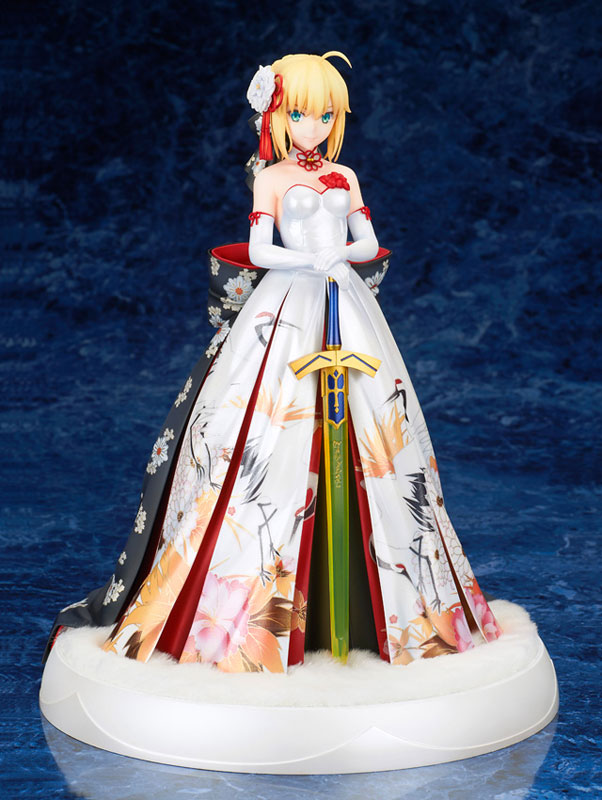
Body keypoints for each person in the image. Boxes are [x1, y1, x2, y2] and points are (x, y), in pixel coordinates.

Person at [44, 51, 501, 672]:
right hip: (287, 304)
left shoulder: (346, 174)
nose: (313, 127)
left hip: (344, 298)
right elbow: (260, 249)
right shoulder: (270, 179)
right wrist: (307, 261)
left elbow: (368, 239)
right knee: (263, 429)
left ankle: (401, 605)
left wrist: (341, 256)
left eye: (326, 115)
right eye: (301, 114)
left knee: (381, 431)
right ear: (277, 117)